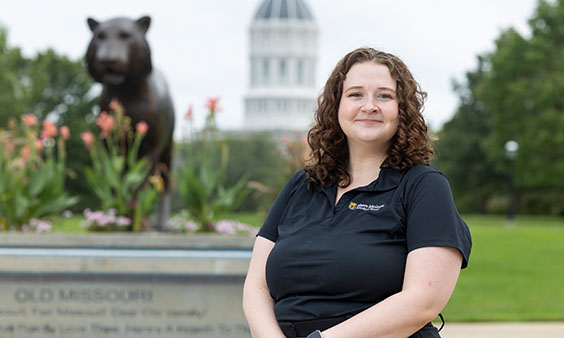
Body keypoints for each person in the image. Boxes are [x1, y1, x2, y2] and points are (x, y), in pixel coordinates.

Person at [243, 47, 472, 338]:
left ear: (403, 109)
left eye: (384, 96)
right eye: (355, 94)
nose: (369, 106)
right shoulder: (301, 186)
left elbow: (422, 302)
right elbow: (256, 285)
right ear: (336, 106)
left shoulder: (423, 186)